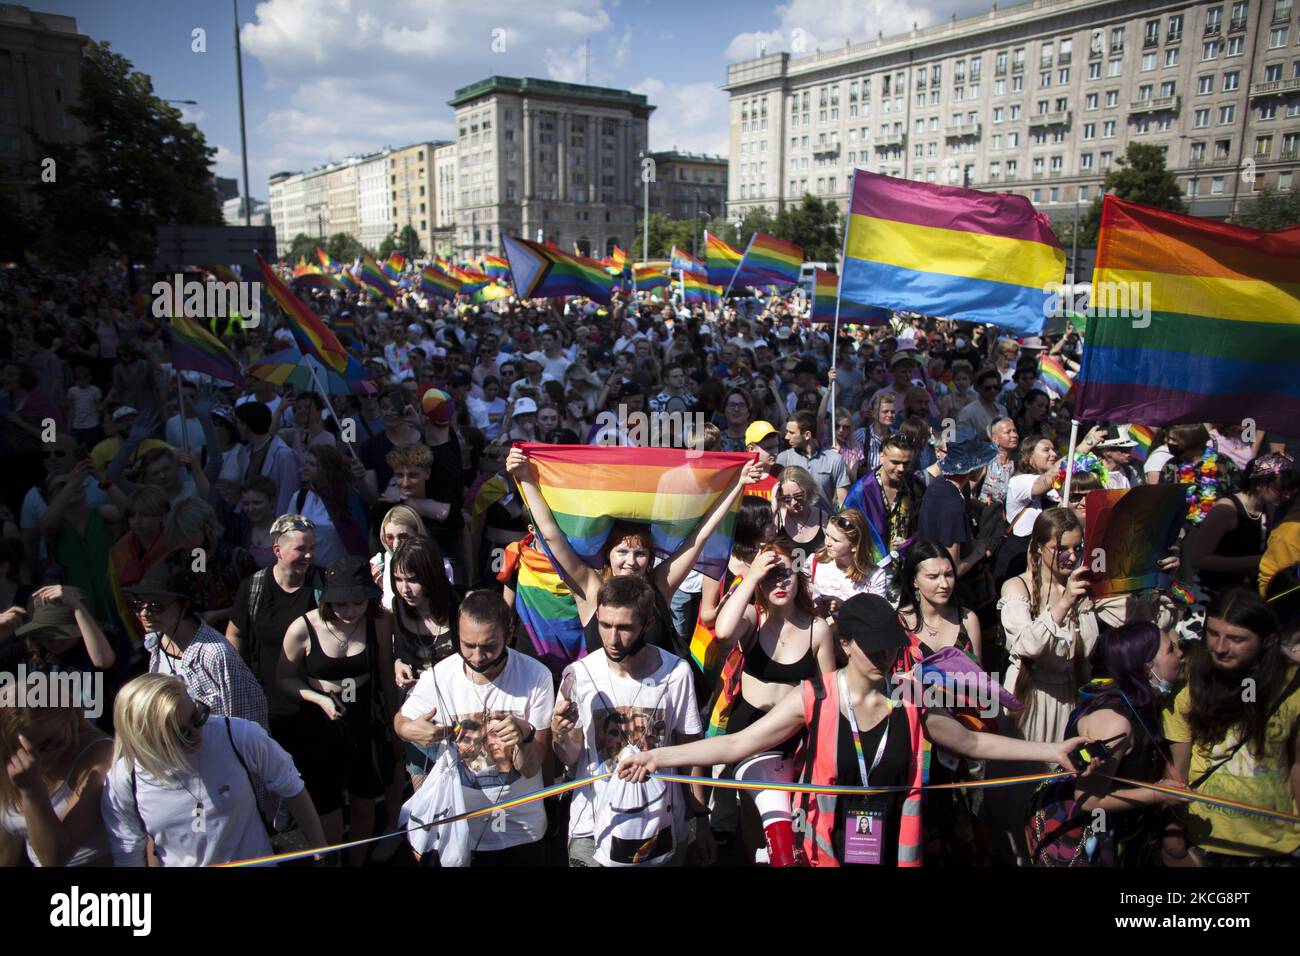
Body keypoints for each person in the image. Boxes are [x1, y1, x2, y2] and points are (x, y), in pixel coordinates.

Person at [617, 593, 1090, 867]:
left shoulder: (911, 697)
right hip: (827, 849)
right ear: (845, 644)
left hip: (895, 848)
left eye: (892, 648)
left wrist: (1054, 750)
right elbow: (738, 743)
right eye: (875, 648)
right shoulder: (815, 698)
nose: (887, 658)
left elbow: (972, 741)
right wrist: (653, 758)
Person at [505, 445, 757, 670]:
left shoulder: (661, 585)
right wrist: (525, 476)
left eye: (640, 553)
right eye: (622, 552)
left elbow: (700, 536)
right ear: (608, 555)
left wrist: (737, 484)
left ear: (650, 558)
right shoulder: (591, 590)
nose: (630, 561)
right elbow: (551, 536)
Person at [550, 576, 714, 866]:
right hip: (592, 827)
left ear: (647, 623)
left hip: (659, 827)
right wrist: (561, 734)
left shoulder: (676, 673)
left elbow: (691, 750)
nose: (612, 639)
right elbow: (570, 757)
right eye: (605, 625)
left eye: (624, 628)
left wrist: (700, 820)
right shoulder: (579, 675)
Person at [394, 590, 554, 866]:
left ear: (510, 632)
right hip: (459, 828)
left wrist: (525, 736)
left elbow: (531, 766)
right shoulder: (440, 676)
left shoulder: (536, 676)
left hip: (521, 830)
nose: (477, 656)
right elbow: (401, 721)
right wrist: (410, 731)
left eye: (488, 646)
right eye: (467, 645)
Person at [100, 674, 327, 867]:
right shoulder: (125, 777)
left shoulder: (238, 735)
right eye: (182, 734)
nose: (198, 733)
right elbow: (128, 851)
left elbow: (291, 786)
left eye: (197, 717)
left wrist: (322, 851)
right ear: (147, 739)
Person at [1026, 621, 1185, 866]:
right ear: (1146, 670)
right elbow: (1088, 798)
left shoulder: (1138, 698)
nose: (1180, 653)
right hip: (1081, 835)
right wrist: (1157, 795)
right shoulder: (1115, 723)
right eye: (1170, 650)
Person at [1162, 587, 1300, 865]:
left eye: (1236, 639)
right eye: (1213, 634)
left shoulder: (1294, 685)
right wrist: (1173, 837)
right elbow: (1177, 769)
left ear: (1269, 641)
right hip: (1206, 842)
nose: (1221, 647)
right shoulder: (1187, 683)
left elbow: (1297, 763)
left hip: (1280, 844)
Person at [277, 556, 398, 865]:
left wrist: (396, 722)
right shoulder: (302, 628)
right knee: (327, 804)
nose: (350, 611)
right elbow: (284, 678)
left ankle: (357, 861)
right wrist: (319, 699)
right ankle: (332, 862)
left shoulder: (380, 622)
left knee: (364, 800)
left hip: (364, 717)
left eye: (358, 603)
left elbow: (384, 674)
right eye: (341, 604)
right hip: (319, 720)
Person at [999, 508, 1134, 743]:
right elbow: (1028, 645)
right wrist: (1065, 602)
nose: (1071, 557)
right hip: (1029, 701)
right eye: (1061, 549)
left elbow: (1137, 618)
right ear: (1039, 547)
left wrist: (1158, 582)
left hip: (1072, 699)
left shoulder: (1085, 586)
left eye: (1077, 548)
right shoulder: (1017, 587)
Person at [128, 556, 267, 728]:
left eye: (156, 606)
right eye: (138, 605)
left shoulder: (216, 655)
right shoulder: (155, 642)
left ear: (185, 606)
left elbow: (243, 727)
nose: (144, 613)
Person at [226, 514, 325, 736]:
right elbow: (236, 634)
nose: (309, 555)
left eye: (313, 547)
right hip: (266, 706)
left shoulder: (324, 584)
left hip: (317, 705)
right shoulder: (253, 587)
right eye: (300, 549)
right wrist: (237, 678)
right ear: (277, 551)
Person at [0, 689, 114, 867]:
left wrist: (31, 790)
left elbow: (55, 859)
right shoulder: (8, 762)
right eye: (26, 751)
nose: (41, 759)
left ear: (72, 717)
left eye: (53, 742)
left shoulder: (101, 755)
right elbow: (7, 848)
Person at [1188, 452, 1296, 595]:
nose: (1287, 495)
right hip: (1209, 592)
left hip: (1241, 594)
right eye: (1280, 489)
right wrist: (1256, 561)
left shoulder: (1268, 508)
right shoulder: (1226, 510)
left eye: (1290, 490)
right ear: (1259, 483)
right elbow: (1198, 560)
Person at [917, 433, 998, 578]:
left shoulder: (939, 484)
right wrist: (979, 551)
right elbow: (954, 569)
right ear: (972, 468)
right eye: (982, 463)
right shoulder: (951, 504)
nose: (984, 469)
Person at [807, 509, 889, 611]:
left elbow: (878, 616)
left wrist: (844, 607)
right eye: (827, 535)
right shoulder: (814, 562)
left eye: (835, 540)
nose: (828, 543)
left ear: (855, 546)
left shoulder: (875, 577)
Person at [234, 402, 301, 517]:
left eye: (238, 423)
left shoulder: (284, 455)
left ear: (245, 425)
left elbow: (287, 495)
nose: (236, 427)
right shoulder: (246, 452)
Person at [777, 410, 849, 508]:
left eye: (791, 433)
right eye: (787, 432)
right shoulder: (784, 458)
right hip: (792, 521)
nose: (786, 437)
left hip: (824, 521)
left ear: (807, 435)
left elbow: (843, 501)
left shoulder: (834, 459)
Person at [775, 466, 831, 572]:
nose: (793, 502)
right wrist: (773, 509)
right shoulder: (776, 520)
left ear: (809, 490)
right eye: (787, 498)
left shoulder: (823, 518)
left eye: (799, 495)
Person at [956, 368, 1007, 437]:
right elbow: (963, 440)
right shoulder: (967, 412)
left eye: (995, 387)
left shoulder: (1003, 410)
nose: (992, 390)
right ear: (979, 388)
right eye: (988, 388)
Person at [1096, 425, 1141, 491]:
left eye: (1130, 449)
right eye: (1123, 449)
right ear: (1107, 451)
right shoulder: (1094, 472)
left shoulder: (1130, 471)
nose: (1128, 454)